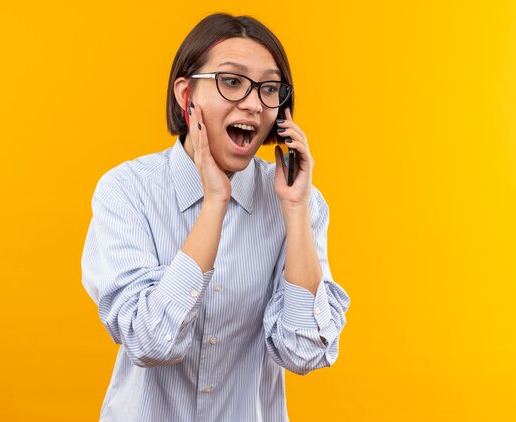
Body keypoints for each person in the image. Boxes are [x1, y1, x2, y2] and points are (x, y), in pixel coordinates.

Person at [81, 13, 351, 422]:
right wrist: (214, 204)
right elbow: (150, 341)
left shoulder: (297, 203)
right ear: (185, 94)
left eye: (270, 88)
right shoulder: (127, 191)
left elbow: (304, 351)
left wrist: (296, 211)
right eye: (232, 81)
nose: (253, 103)